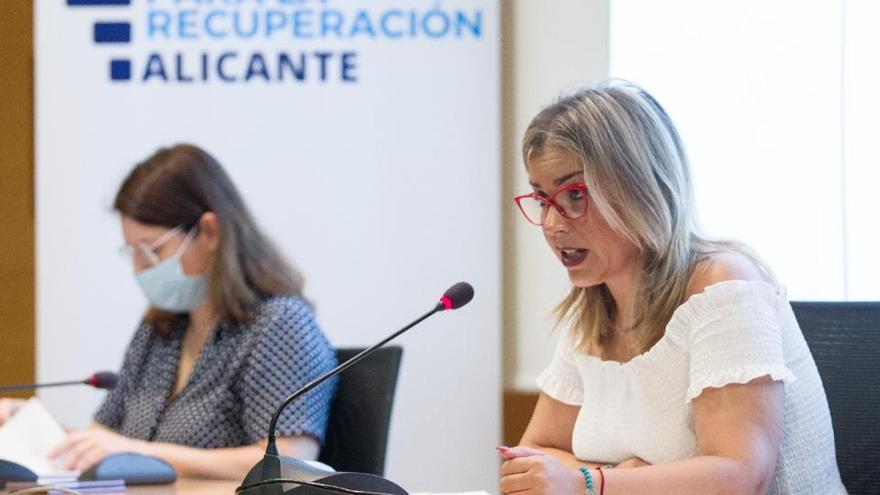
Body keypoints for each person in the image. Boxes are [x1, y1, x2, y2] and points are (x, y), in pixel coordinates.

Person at [499, 81, 846, 494]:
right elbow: (536, 453)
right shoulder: (592, 313)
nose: (554, 225)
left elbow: (740, 478)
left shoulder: (724, 288)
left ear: (638, 186)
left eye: (575, 195)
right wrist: (622, 478)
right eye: (543, 200)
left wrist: (593, 482)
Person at [0, 144, 338, 479]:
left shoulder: (279, 324)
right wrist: (28, 423)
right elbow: (102, 441)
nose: (138, 268)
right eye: (131, 251)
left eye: (151, 250)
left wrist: (137, 452)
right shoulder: (160, 330)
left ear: (210, 232)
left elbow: (293, 461)